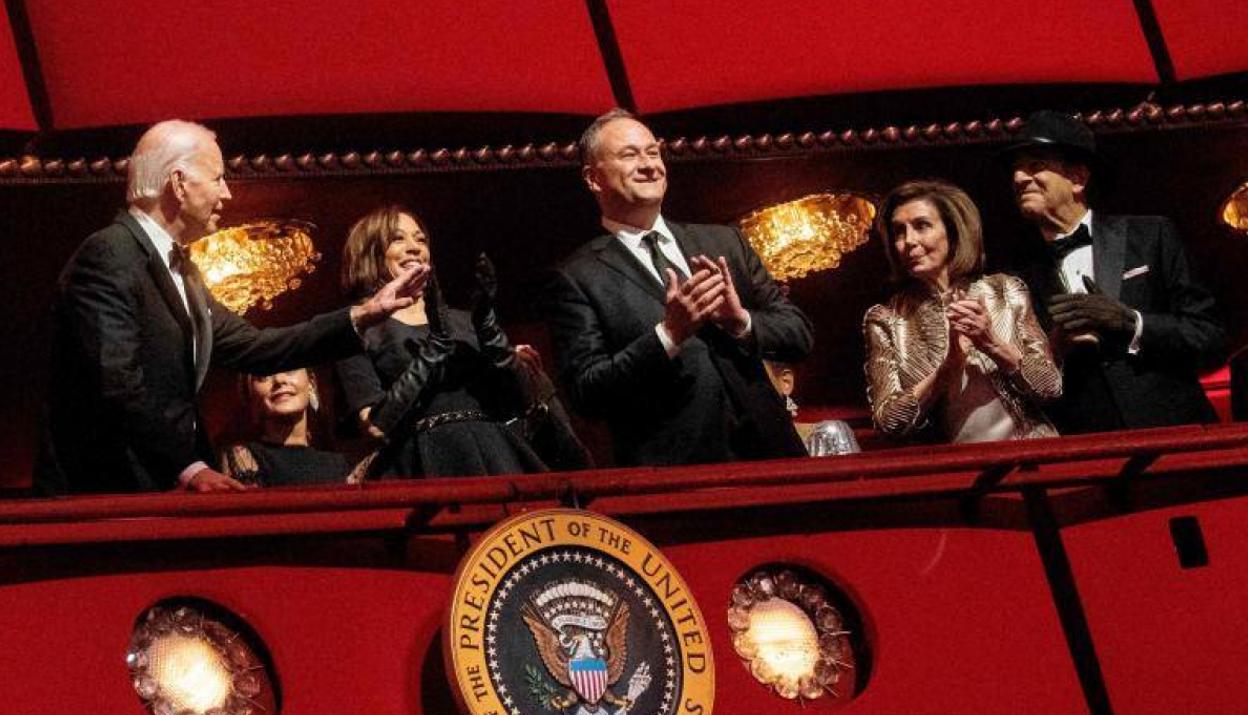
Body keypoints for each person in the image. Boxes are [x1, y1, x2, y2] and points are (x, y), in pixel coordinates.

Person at [34, 120, 426, 495]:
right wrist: (191, 468)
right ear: (179, 183)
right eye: (219, 178)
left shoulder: (185, 274)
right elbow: (115, 380)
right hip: (108, 489)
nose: (228, 194)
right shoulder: (111, 252)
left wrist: (365, 313)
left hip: (158, 486)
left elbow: (259, 347)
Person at [546, 109, 813, 466]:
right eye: (630, 155)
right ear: (594, 178)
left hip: (775, 457)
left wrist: (741, 322)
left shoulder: (725, 242)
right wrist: (668, 335)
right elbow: (587, 393)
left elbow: (799, 334)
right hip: (678, 471)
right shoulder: (578, 276)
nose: (649, 165)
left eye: (653, 152)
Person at [1002, 110, 1226, 434]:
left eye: (1035, 165)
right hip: (1090, 451)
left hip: (1176, 435)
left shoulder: (1151, 236)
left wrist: (1131, 323)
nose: (1019, 178)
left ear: (1077, 178)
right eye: (1016, 169)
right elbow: (1024, 389)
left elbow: (1210, 338)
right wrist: (1056, 350)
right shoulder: (1016, 276)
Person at [335, 205, 573, 478]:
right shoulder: (358, 330)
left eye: (420, 239)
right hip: (421, 463)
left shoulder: (466, 321)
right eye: (398, 238)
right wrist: (433, 350)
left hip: (495, 454)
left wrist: (490, 333)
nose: (415, 247)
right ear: (369, 252)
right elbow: (375, 425)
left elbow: (519, 403)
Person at [863, 180, 1061, 443]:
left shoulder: (1004, 290)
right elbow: (888, 421)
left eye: (922, 226)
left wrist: (992, 343)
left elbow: (1050, 387)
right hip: (956, 470)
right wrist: (947, 370)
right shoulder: (886, 319)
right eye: (899, 231)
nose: (908, 241)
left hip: (1035, 455)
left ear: (953, 231)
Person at [221, 368, 353, 487]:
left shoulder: (339, 464)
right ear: (250, 393)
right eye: (264, 375)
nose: (279, 380)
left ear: (311, 384)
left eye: (290, 369)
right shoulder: (244, 458)